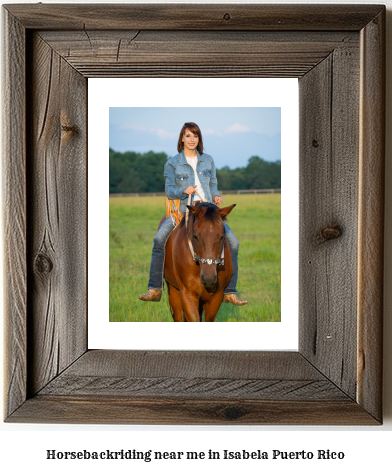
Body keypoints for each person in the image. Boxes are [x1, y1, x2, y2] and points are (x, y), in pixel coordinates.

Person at [139, 122, 247, 306]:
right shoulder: (172, 164)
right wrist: (183, 190)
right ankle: (155, 288)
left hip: (209, 212)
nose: (192, 139)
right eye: (188, 135)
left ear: (199, 139)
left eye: (195, 136)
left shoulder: (208, 160)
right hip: (183, 211)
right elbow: (169, 191)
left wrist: (216, 195)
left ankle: (230, 291)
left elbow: (213, 184)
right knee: (159, 240)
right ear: (182, 138)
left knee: (234, 243)